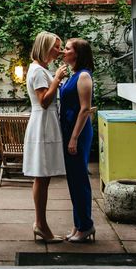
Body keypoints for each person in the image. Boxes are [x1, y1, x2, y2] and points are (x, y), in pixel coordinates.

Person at [22, 31, 69, 243]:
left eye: (60, 47)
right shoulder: (39, 71)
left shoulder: (40, 69)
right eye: (56, 47)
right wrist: (57, 79)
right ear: (45, 47)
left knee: (43, 177)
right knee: (41, 177)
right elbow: (44, 101)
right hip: (42, 123)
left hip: (45, 123)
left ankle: (40, 224)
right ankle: (40, 224)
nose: (59, 51)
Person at [59, 37, 96, 243]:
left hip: (78, 132)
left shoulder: (83, 76)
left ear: (78, 53)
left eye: (67, 49)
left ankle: (86, 225)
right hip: (69, 130)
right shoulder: (72, 74)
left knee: (80, 179)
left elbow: (85, 109)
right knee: (73, 180)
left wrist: (73, 138)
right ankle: (78, 224)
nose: (64, 52)